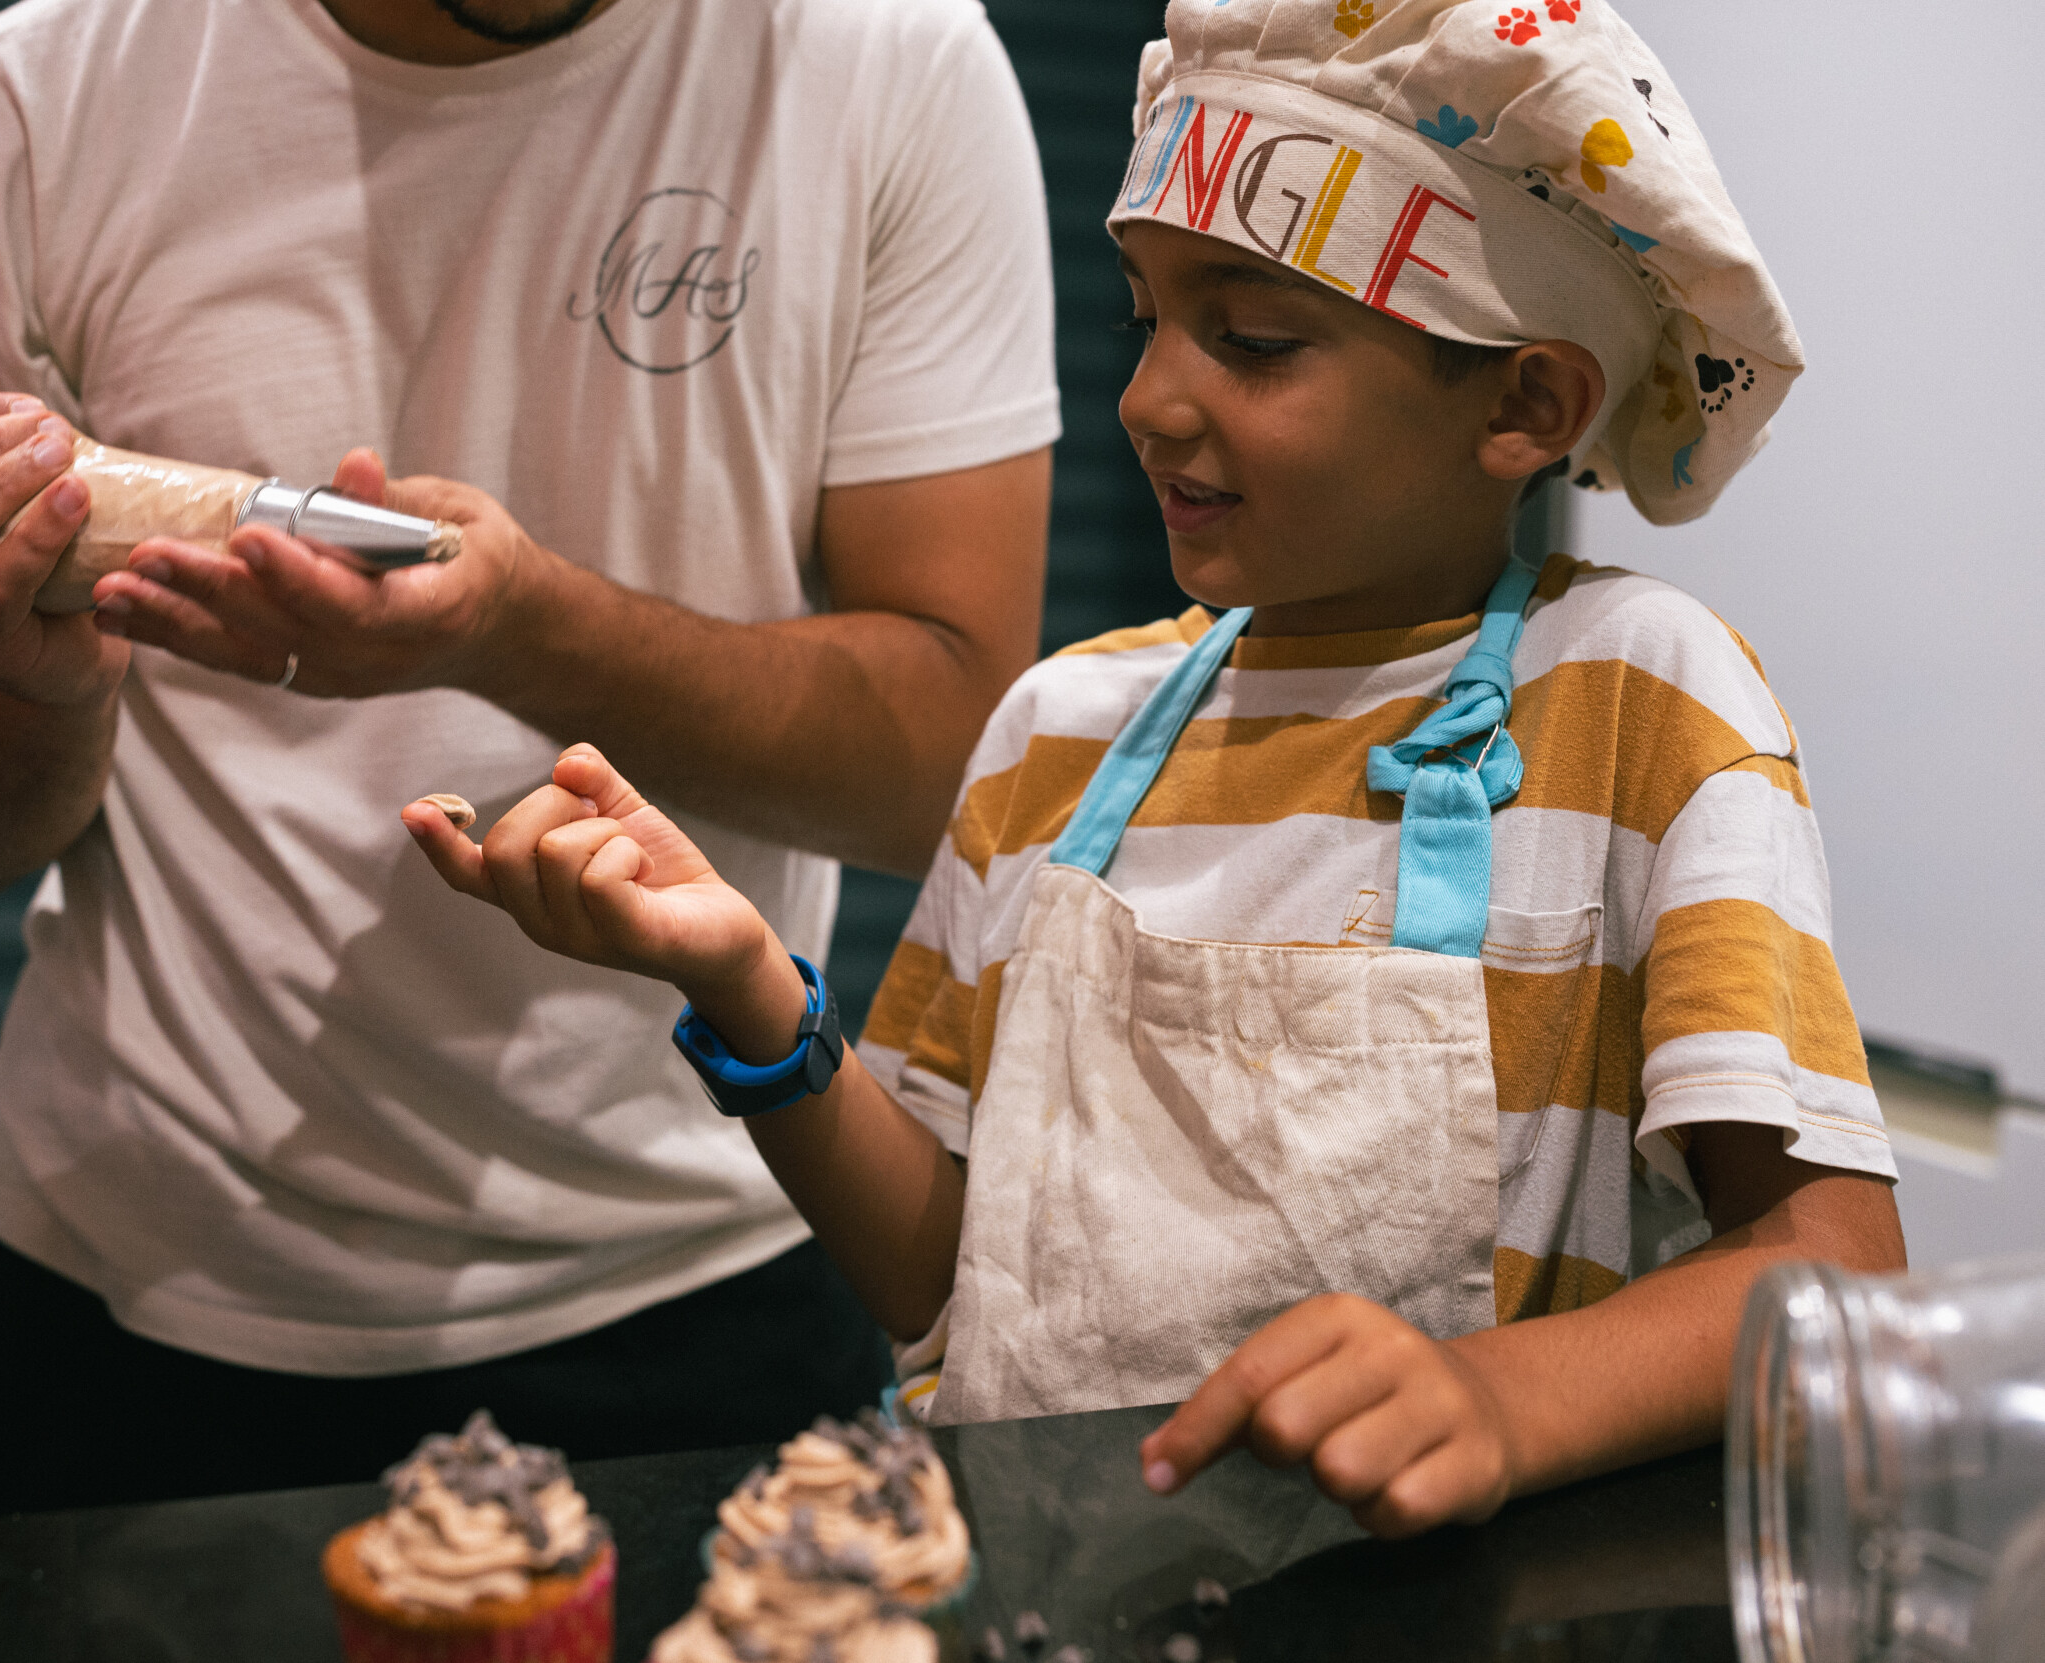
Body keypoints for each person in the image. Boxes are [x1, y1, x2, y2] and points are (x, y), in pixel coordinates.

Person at [407, 0, 1908, 1538]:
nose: (1149, 398)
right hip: (1046, 1590)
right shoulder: (1063, 725)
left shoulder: (1636, 700)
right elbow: (947, 1273)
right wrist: (745, 990)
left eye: (1253, 339)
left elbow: (1831, 1262)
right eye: (1147, 317)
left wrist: (1498, 1400)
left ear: (1526, 404)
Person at [0, 0, 1059, 1513]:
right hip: (145, 1292)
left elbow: (947, 764)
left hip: (705, 1276)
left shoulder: (892, 62)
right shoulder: (33, 100)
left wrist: (524, 633)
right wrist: (35, 682)